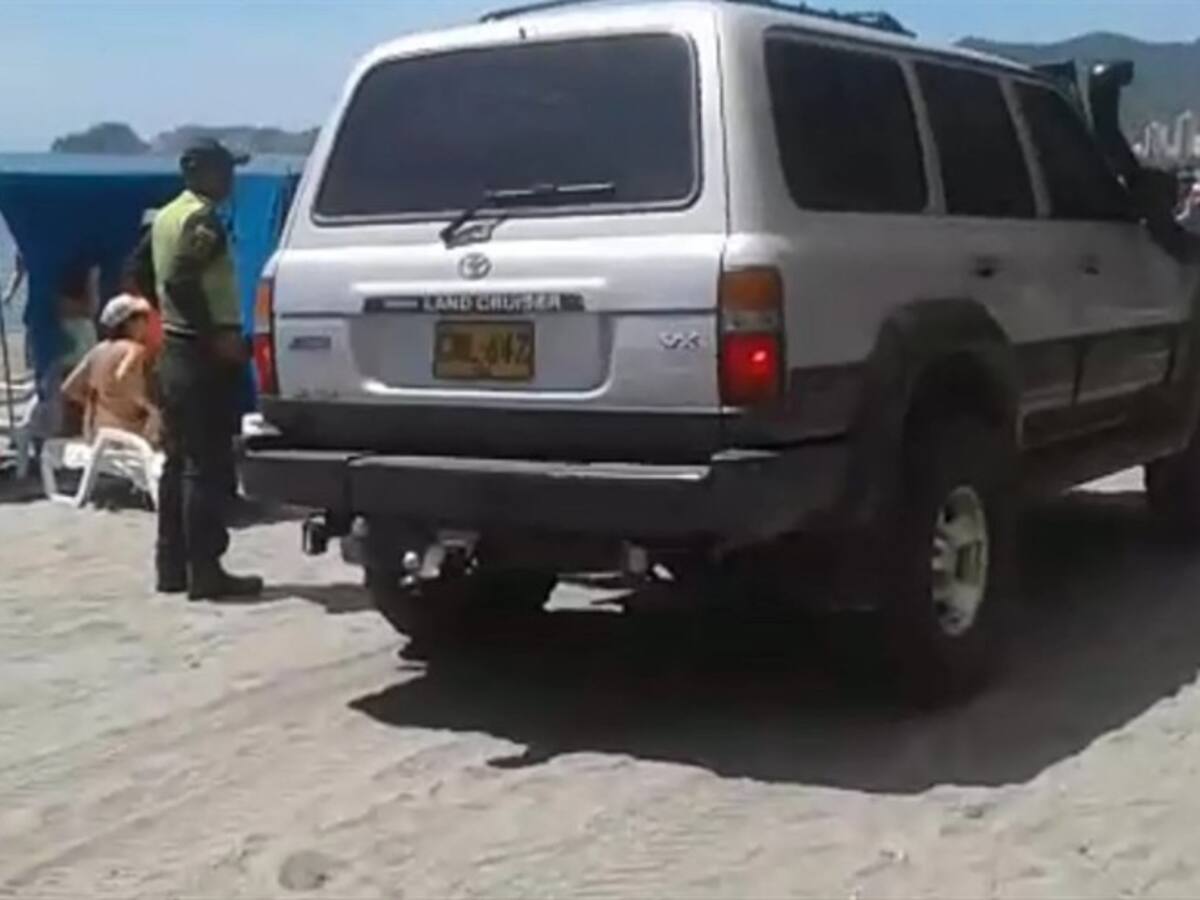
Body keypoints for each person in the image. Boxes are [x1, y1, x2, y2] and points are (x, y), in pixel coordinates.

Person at [143, 138, 262, 600]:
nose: (231, 179)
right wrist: (216, 336)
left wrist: (170, 321)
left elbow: (144, 272)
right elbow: (181, 278)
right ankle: (206, 570)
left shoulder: (165, 217)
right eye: (224, 170)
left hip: (175, 349)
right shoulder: (202, 219)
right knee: (206, 466)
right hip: (202, 355)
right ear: (201, 172)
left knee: (177, 463)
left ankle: (171, 566)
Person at [61, 294, 160, 445]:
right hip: (131, 435)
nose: (146, 323)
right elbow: (122, 375)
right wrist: (145, 405)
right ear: (129, 322)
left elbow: (69, 388)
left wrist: (97, 402)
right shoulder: (134, 349)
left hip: (98, 435)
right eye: (143, 318)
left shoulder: (97, 350)